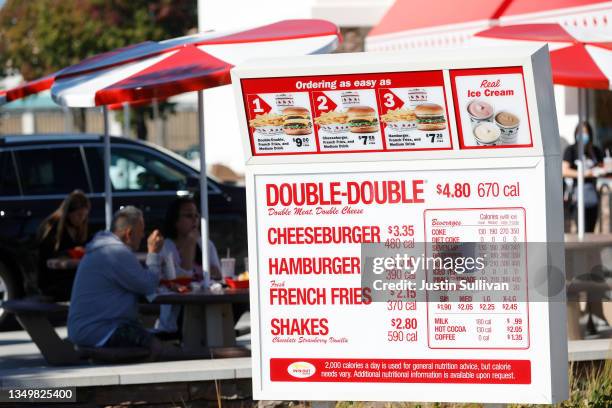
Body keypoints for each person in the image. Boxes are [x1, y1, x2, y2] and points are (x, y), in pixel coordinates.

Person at [67, 206, 165, 356]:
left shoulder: (104, 248)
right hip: (100, 331)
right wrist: (153, 253)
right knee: (157, 346)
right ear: (129, 233)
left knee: (150, 335)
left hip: (88, 329)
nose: (143, 236)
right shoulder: (116, 252)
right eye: (141, 231)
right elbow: (148, 285)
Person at [155, 197, 222, 333]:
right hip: (178, 314)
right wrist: (190, 246)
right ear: (175, 220)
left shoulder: (205, 244)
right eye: (188, 215)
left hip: (207, 306)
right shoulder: (166, 247)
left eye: (196, 215)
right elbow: (180, 282)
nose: (194, 220)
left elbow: (217, 274)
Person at [36, 190, 90, 296]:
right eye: (79, 215)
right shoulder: (53, 228)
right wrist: (71, 254)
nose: (82, 219)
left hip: (69, 276)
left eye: (85, 215)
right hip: (53, 280)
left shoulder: (78, 228)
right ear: (69, 212)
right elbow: (49, 258)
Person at [562, 121, 605, 232]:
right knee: (581, 228)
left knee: (590, 229)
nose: (582, 135)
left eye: (585, 133)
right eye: (580, 132)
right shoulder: (571, 150)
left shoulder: (595, 151)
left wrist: (599, 170)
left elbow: (603, 166)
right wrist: (584, 174)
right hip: (577, 196)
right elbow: (564, 170)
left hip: (593, 196)